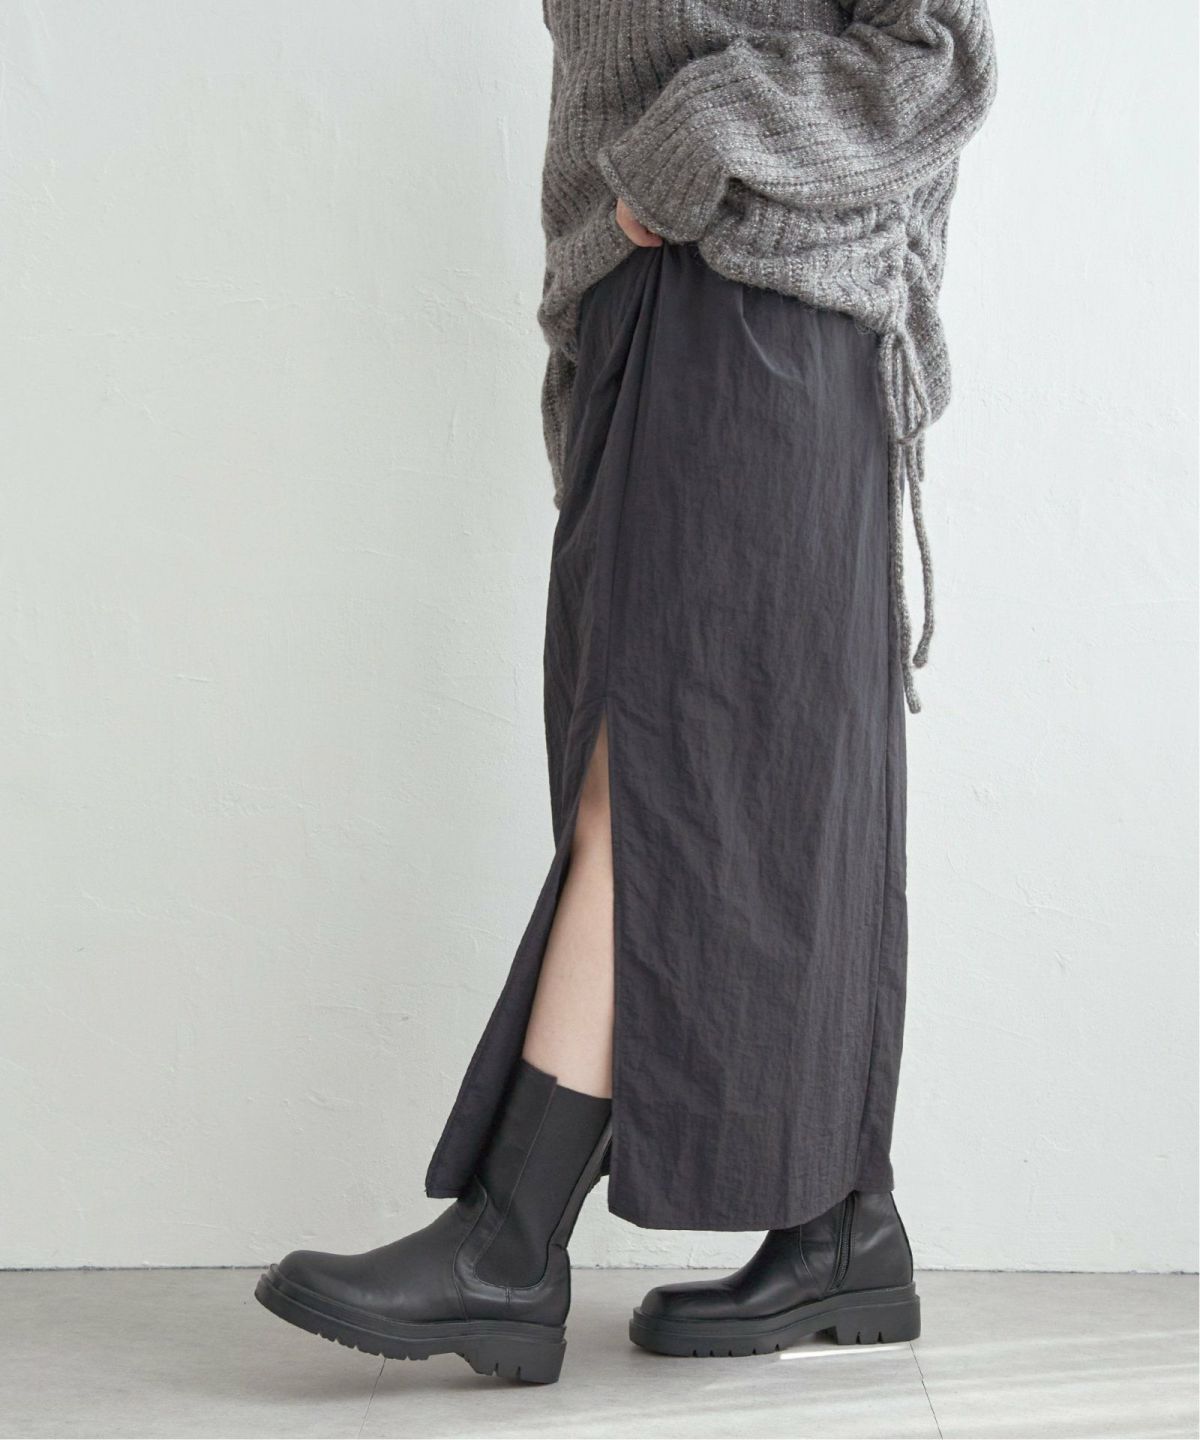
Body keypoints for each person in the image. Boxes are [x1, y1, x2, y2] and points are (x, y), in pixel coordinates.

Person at [256, 0, 997, 1385]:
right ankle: (842, 1221)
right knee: (746, 777)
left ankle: (509, 1239)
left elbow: (936, 55)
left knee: (654, 777)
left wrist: (698, 137)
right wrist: (596, 302)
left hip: (766, 301)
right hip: (650, 301)